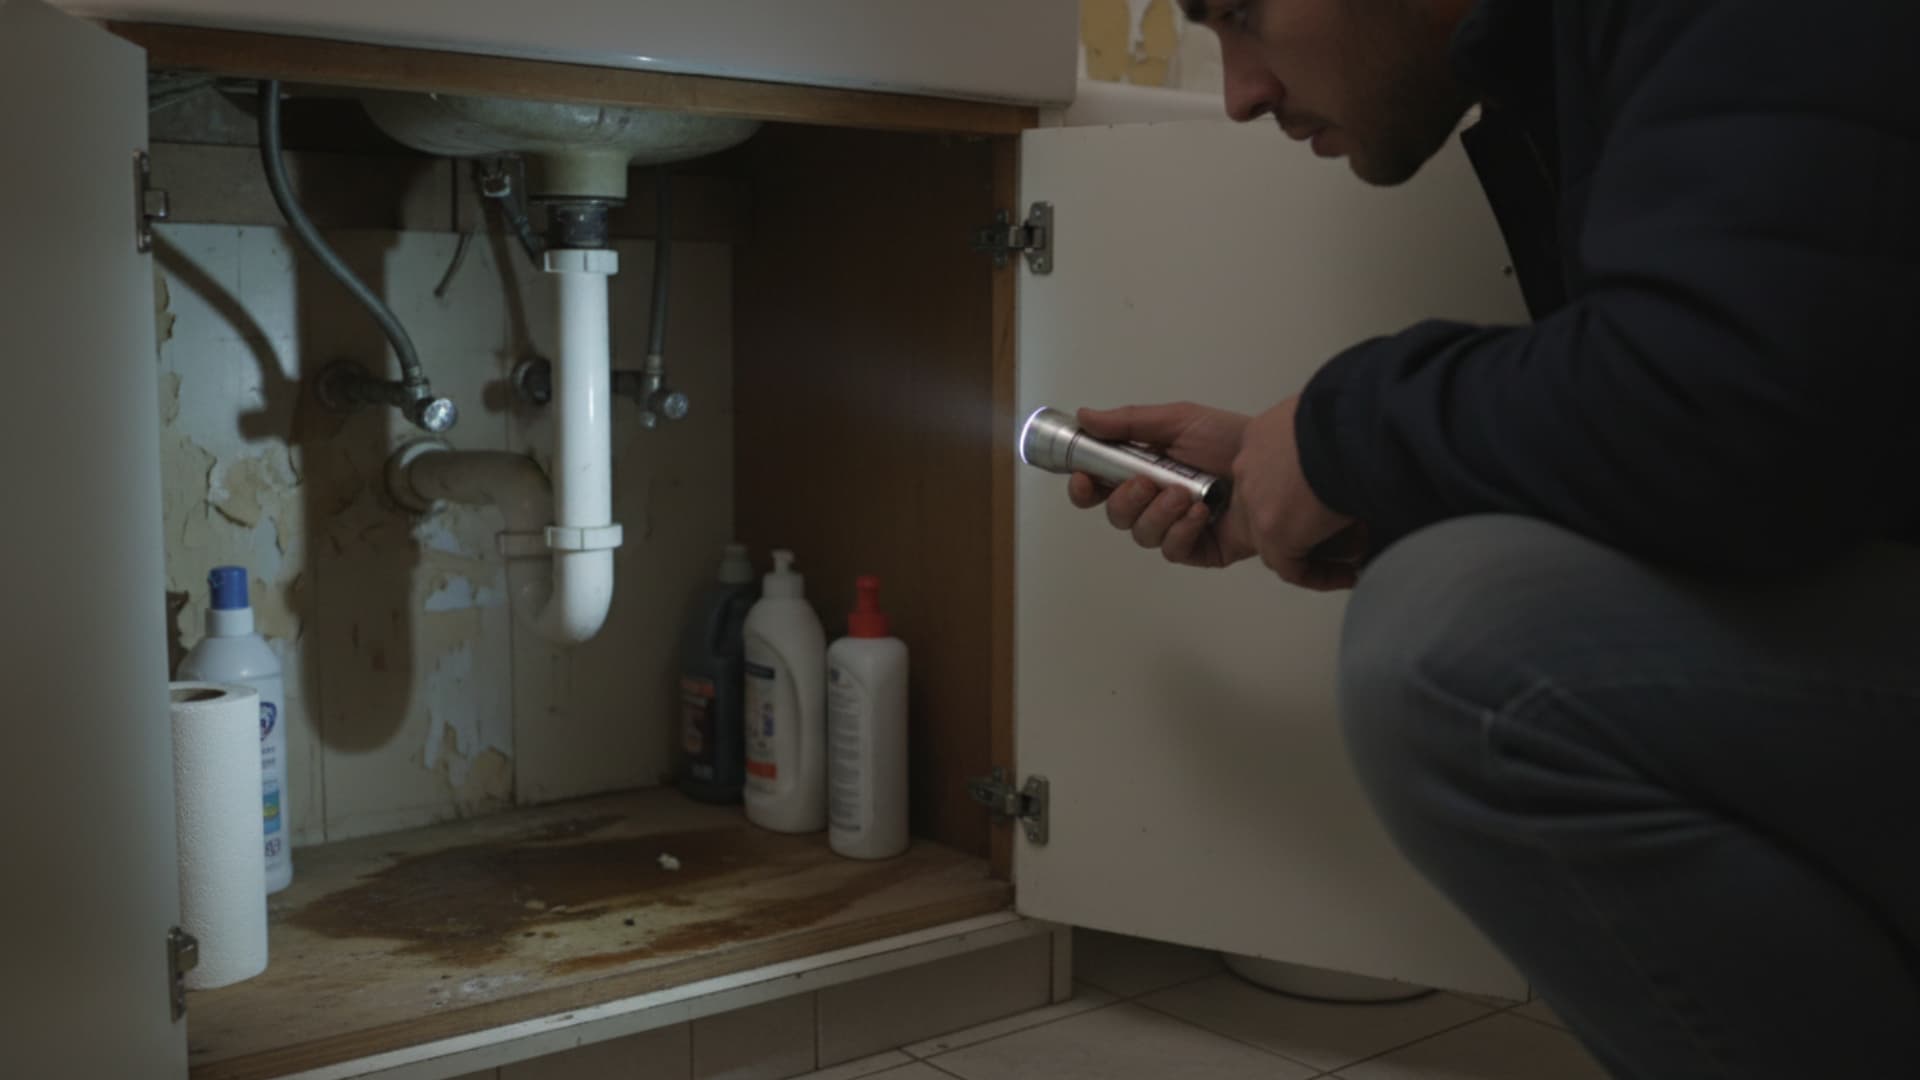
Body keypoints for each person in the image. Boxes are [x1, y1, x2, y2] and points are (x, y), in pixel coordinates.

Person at [1069, 2, 1920, 1076]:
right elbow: (1792, 440)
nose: (1241, 91)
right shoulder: (1564, 66)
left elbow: (1730, 403)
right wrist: (1353, 492)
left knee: (1455, 655)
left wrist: (1345, 431)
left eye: (1242, 14)